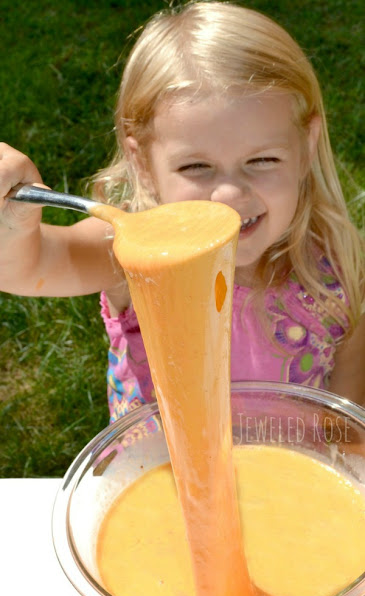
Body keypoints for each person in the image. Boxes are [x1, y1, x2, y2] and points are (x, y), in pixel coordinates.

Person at [0, 1, 364, 424]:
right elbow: (25, 268)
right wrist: (13, 222)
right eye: (196, 167)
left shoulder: (338, 263)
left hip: (289, 478)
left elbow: (347, 415)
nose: (229, 194)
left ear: (307, 145)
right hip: (159, 481)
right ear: (143, 164)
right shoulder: (132, 252)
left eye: (262, 160)